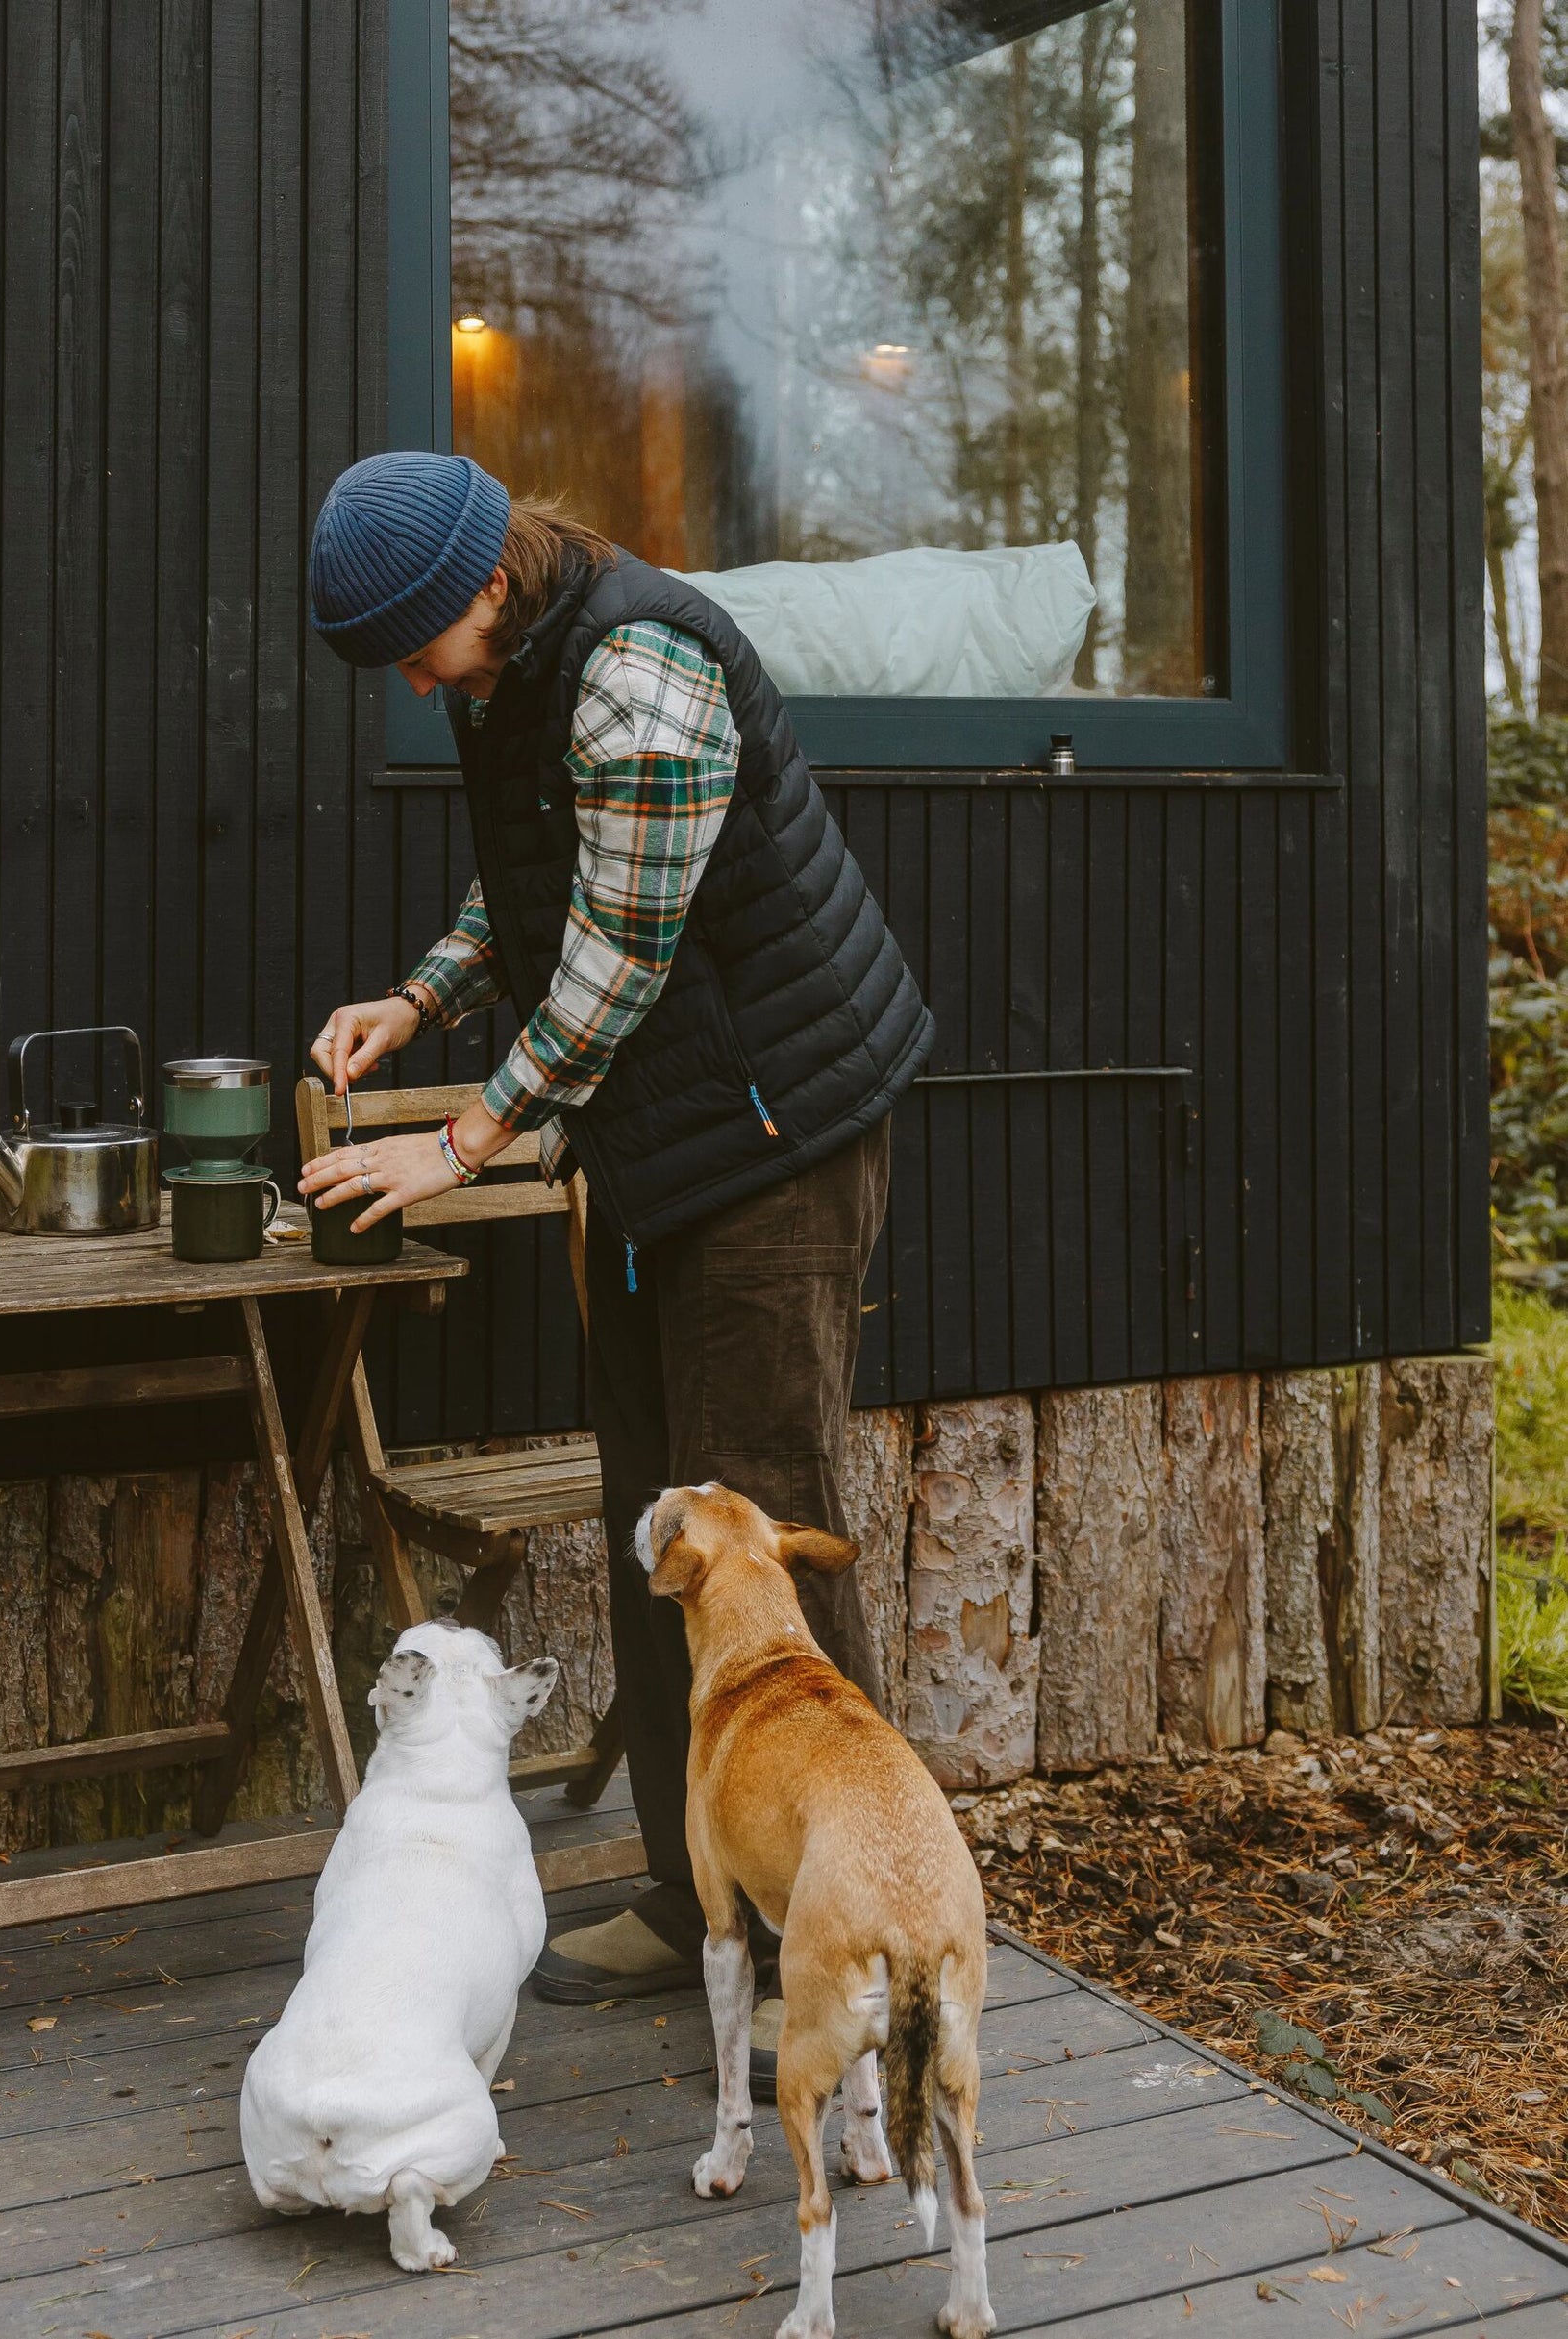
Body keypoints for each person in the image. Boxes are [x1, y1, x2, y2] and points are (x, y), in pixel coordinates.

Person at [300, 450, 933, 2046]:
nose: (399, 675)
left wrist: (458, 1139)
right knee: (664, 1523)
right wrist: (423, 997)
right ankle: (697, 1885)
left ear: (484, 585)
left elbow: (614, 964)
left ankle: (853, 1926)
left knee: (757, 1527)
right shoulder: (506, 664)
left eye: (403, 644)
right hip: (666, 1142)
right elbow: (534, 886)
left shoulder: (641, 675)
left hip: (769, 1129)